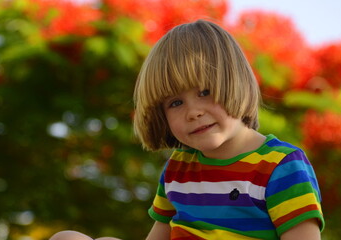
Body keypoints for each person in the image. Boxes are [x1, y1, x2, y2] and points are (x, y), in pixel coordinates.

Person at [133, 19, 325, 240]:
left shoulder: (281, 167)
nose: (193, 112)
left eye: (204, 92)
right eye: (175, 103)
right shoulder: (178, 169)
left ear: (234, 83)